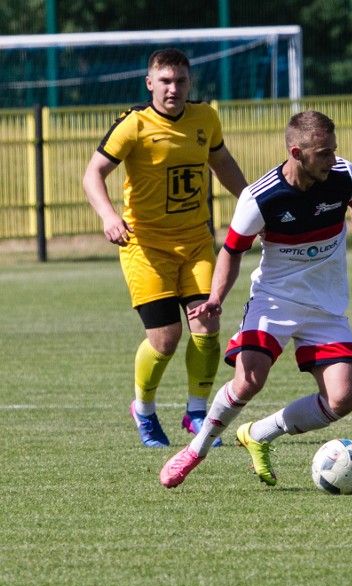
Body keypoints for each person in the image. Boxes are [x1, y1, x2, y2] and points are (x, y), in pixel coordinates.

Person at [159, 110, 352, 488]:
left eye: (334, 150)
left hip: (326, 305)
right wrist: (217, 296)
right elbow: (231, 252)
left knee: (341, 400)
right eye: (323, 153)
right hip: (274, 300)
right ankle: (196, 449)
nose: (332, 159)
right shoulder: (260, 197)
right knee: (249, 380)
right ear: (297, 152)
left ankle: (259, 433)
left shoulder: (343, 176)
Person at [83, 48, 248, 448]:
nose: (174, 88)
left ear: (190, 82)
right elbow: (93, 174)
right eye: (166, 81)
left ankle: (196, 412)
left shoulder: (205, 118)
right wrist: (108, 216)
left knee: (207, 329)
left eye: (181, 81)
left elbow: (221, 162)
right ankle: (143, 408)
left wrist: (250, 202)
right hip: (145, 245)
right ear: (150, 83)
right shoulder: (134, 124)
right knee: (166, 338)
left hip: (195, 242)